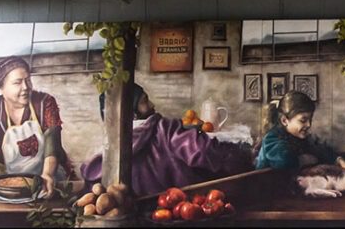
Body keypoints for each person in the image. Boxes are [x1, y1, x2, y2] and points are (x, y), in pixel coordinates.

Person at [81, 84, 252, 196]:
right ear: (132, 114)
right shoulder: (165, 127)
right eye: (145, 102)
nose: (152, 105)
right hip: (177, 210)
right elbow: (203, 151)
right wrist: (242, 155)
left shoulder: (102, 153)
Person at [0, 56, 75, 199]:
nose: (26, 87)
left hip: (49, 177)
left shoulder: (45, 103)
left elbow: (52, 142)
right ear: (0, 89)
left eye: (28, 80)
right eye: (17, 82)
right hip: (9, 184)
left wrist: (47, 175)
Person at [255, 91, 345, 171]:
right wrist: (303, 160)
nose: (308, 125)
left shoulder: (301, 137)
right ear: (285, 121)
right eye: (303, 120)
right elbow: (283, 161)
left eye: (310, 119)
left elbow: (321, 150)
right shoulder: (272, 138)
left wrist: (339, 160)